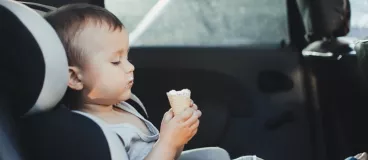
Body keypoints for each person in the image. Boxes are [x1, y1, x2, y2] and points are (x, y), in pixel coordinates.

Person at [44, 4, 262, 160]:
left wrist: (176, 137)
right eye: (115, 61)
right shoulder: (90, 133)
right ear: (74, 77)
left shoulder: (125, 107)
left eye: (127, 57)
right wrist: (168, 142)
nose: (130, 67)